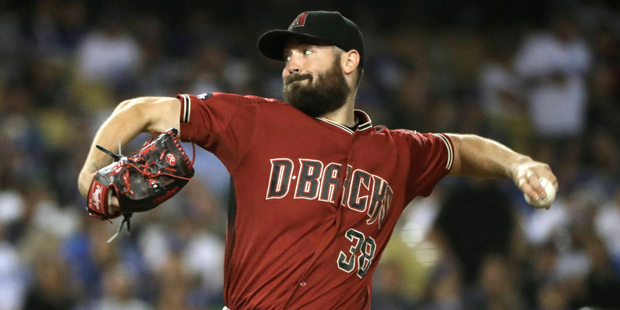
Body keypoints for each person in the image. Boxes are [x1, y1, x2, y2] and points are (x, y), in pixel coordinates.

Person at [78, 11, 558, 310]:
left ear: (350, 62)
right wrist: (89, 175)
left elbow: (459, 149)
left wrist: (519, 164)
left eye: (307, 51)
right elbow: (139, 111)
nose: (292, 63)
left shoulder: (398, 151)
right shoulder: (253, 120)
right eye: (288, 55)